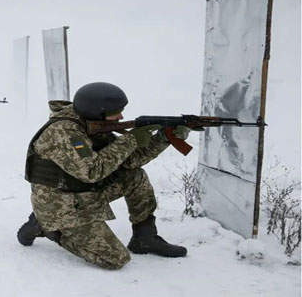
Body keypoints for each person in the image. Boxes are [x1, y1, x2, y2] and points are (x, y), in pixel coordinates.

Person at [16, 82, 189, 270]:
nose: (121, 116)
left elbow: (129, 161)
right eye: (116, 112)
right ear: (96, 112)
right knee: (116, 259)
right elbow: (92, 171)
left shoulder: (91, 124)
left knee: (135, 176)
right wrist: (130, 140)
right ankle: (47, 227)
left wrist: (164, 138)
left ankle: (145, 237)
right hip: (59, 203)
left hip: (82, 192)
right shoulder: (63, 132)